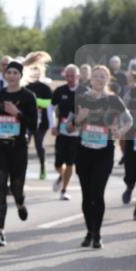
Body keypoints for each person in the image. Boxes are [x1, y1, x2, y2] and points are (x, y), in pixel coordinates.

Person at [74, 65, 133, 248]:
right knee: (86, 195)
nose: (99, 79)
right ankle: (89, 232)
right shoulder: (82, 98)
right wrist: (79, 119)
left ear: (107, 80)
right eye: (96, 76)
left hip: (104, 151)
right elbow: (72, 126)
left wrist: (120, 132)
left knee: (97, 193)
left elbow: (129, 120)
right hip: (84, 151)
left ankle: (97, 234)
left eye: (103, 77)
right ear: (91, 79)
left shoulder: (114, 100)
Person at [0, 60, 38, 246]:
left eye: (16, 72)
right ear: (5, 75)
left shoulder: (28, 96)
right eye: (9, 72)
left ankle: (20, 203)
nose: (12, 75)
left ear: (21, 75)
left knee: (16, 187)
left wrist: (18, 113)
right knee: (0, 188)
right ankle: (0, 231)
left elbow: (34, 125)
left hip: (18, 148)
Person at [51, 64, 86, 201]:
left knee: (70, 163)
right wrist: (53, 125)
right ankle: (62, 175)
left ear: (78, 76)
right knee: (58, 164)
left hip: (77, 134)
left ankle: (64, 190)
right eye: (68, 76)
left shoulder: (84, 91)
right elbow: (51, 108)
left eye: (73, 76)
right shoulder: (60, 91)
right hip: (62, 132)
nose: (70, 78)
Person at [23, 52, 54, 180]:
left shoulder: (45, 88)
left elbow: (47, 103)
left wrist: (34, 101)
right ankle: (21, 168)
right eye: (32, 70)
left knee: (38, 144)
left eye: (37, 71)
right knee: (24, 144)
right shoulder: (24, 86)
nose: (34, 73)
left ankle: (42, 166)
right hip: (27, 120)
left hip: (42, 122)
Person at [123, 71, 136, 220]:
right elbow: (123, 109)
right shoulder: (134, 90)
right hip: (134, 136)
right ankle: (130, 186)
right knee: (131, 170)